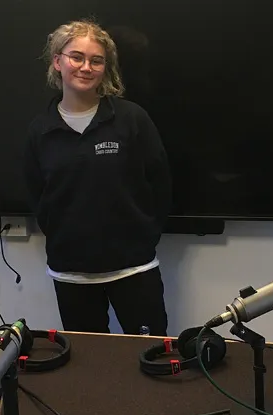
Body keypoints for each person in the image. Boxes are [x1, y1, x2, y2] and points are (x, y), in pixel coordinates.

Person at [24, 20, 171, 336]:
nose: (86, 67)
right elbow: (38, 196)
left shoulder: (132, 120)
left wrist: (142, 236)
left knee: (153, 354)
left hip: (134, 268)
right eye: (76, 57)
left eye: (96, 60)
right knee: (88, 360)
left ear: (106, 68)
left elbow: (160, 185)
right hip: (71, 274)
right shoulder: (40, 130)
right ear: (57, 61)